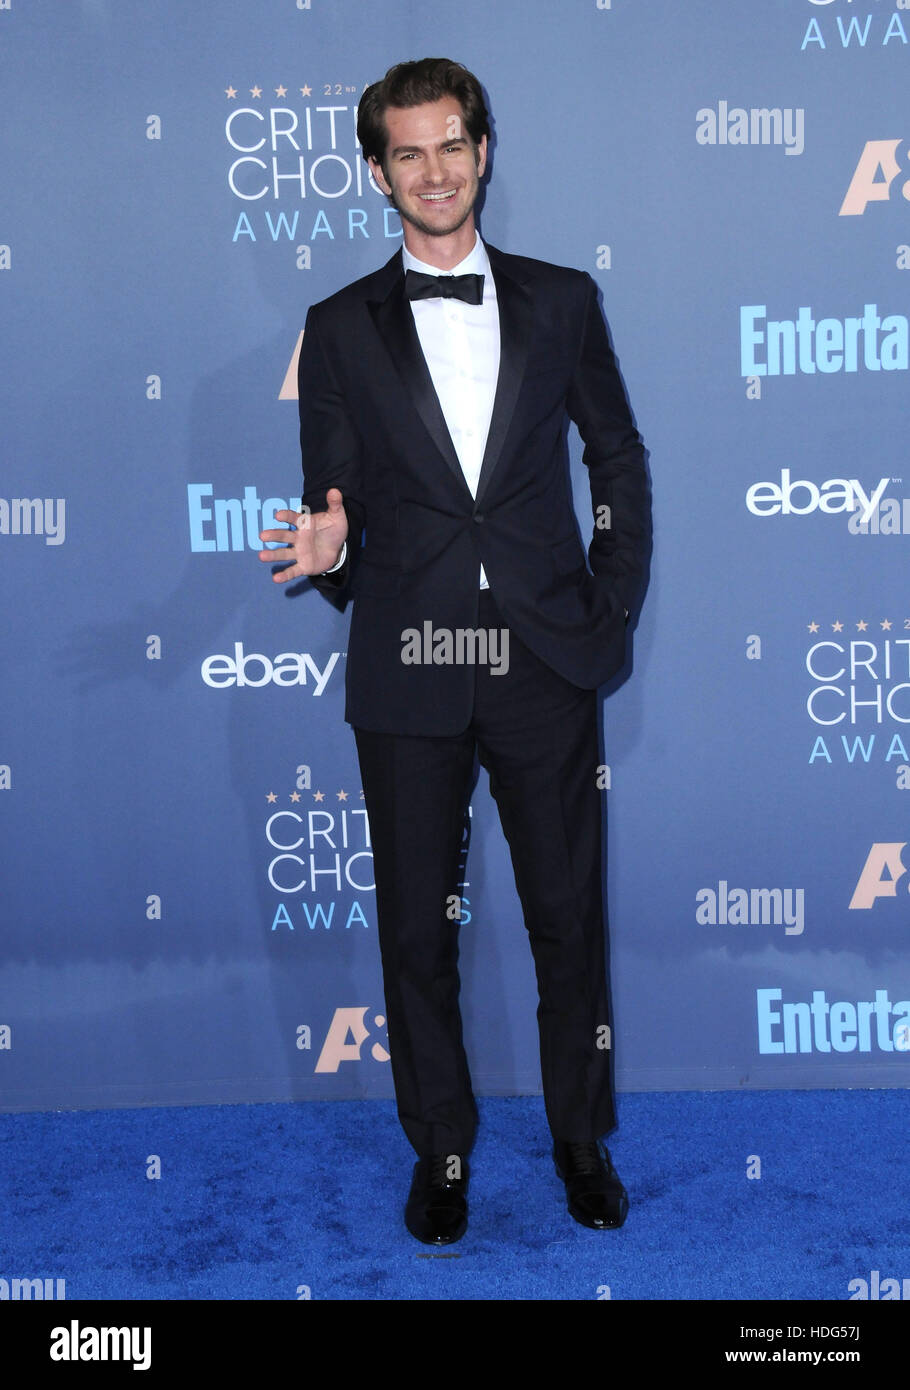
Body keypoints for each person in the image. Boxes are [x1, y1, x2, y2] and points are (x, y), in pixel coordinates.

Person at [259, 58, 650, 1245]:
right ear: (377, 172)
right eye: (407, 153)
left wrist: (608, 611)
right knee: (417, 930)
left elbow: (617, 461)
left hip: (543, 659)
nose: (433, 171)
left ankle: (581, 1136)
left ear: (483, 151)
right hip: (410, 661)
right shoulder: (335, 328)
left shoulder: (563, 301)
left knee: (564, 914)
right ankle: (440, 1145)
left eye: (451, 145)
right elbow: (333, 500)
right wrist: (329, 546)